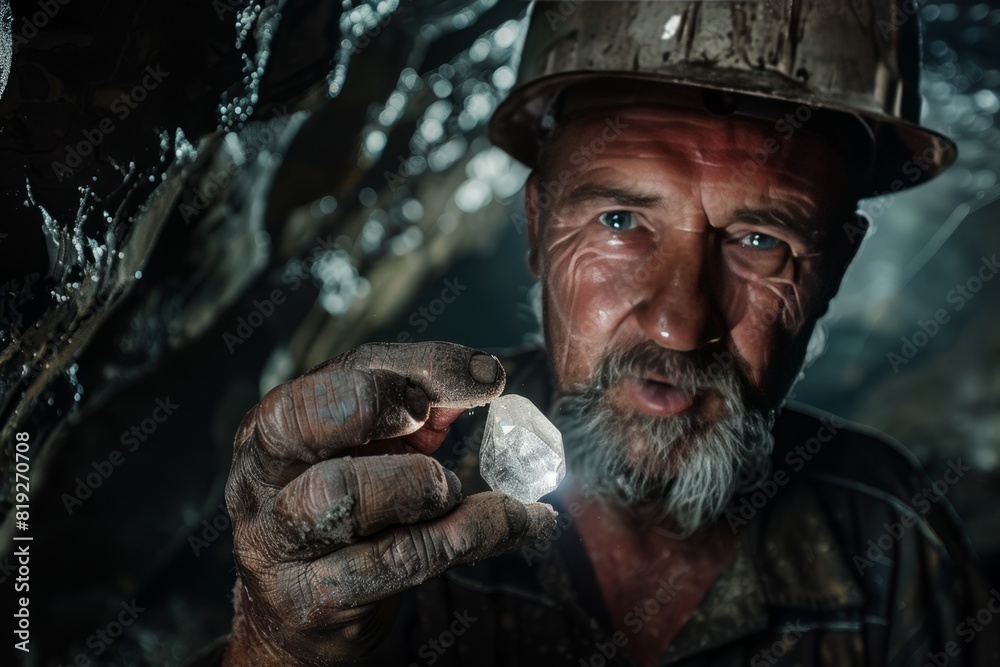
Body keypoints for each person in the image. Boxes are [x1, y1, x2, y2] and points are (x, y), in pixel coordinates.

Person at [207, 2, 998, 665]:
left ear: (834, 267)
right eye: (620, 221)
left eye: (760, 240)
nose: (679, 324)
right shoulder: (392, 500)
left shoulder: (890, 534)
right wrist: (279, 642)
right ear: (536, 224)